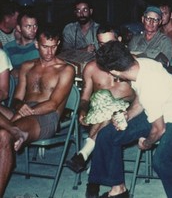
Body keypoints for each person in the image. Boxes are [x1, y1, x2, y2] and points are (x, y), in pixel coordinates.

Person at [86, 41, 172, 198]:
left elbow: (159, 129)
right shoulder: (140, 64)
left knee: (161, 160)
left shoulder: (150, 84)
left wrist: (146, 143)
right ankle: (118, 189)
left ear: (115, 72)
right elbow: (141, 100)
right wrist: (128, 115)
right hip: (155, 113)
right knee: (107, 135)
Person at [0, 26, 74, 197]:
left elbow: (53, 104)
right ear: (36, 44)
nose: (49, 52)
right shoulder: (27, 66)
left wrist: (21, 113)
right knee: (7, 131)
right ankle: (15, 130)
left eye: (54, 46)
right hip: (24, 113)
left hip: (46, 117)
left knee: (4, 135)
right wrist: (19, 108)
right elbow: (17, 99)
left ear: (58, 44)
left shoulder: (65, 69)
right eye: (45, 46)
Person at [65, 25, 135, 174]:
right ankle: (91, 157)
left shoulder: (132, 65)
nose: (106, 49)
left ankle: (85, 153)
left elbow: (142, 96)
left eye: (110, 44)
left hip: (128, 114)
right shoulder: (91, 67)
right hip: (99, 113)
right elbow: (84, 98)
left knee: (112, 109)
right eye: (102, 45)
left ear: (120, 41)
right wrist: (82, 111)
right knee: (105, 107)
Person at [3, 10, 39, 78]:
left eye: (35, 26)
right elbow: (6, 72)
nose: (33, 30)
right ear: (19, 28)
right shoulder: (8, 48)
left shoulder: (41, 46)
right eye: (28, 26)